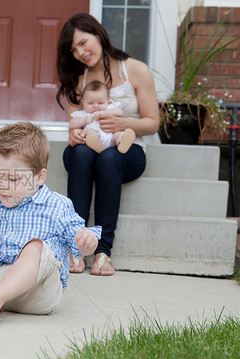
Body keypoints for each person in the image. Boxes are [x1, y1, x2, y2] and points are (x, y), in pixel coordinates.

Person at [0, 122, 101, 326]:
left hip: (38, 292)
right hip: (1, 285)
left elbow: (80, 242)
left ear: (39, 177)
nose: (3, 186)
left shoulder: (56, 205)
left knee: (36, 247)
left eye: (14, 179)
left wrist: (88, 242)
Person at [56, 13, 159, 275]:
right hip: (88, 152)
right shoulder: (78, 79)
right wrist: (75, 135)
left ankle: (103, 252)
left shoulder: (135, 69)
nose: (80, 52)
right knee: (80, 153)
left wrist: (123, 124)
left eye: (83, 42)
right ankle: (75, 249)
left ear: (98, 34)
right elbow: (75, 123)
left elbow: (152, 123)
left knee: (109, 158)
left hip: (128, 150)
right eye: (73, 49)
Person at [70, 80, 135, 154]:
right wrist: (84, 121)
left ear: (108, 102)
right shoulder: (83, 114)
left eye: (100, 103)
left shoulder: (109, 108)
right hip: (95, 135)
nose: (95, 106)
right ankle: (93, 142)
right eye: (90, 103)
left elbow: (119, 112)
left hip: (111, 137)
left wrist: (105, 113)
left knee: (118, 134)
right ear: (83, 103)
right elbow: (72, 124)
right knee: (89, 132)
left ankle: (121, 142)